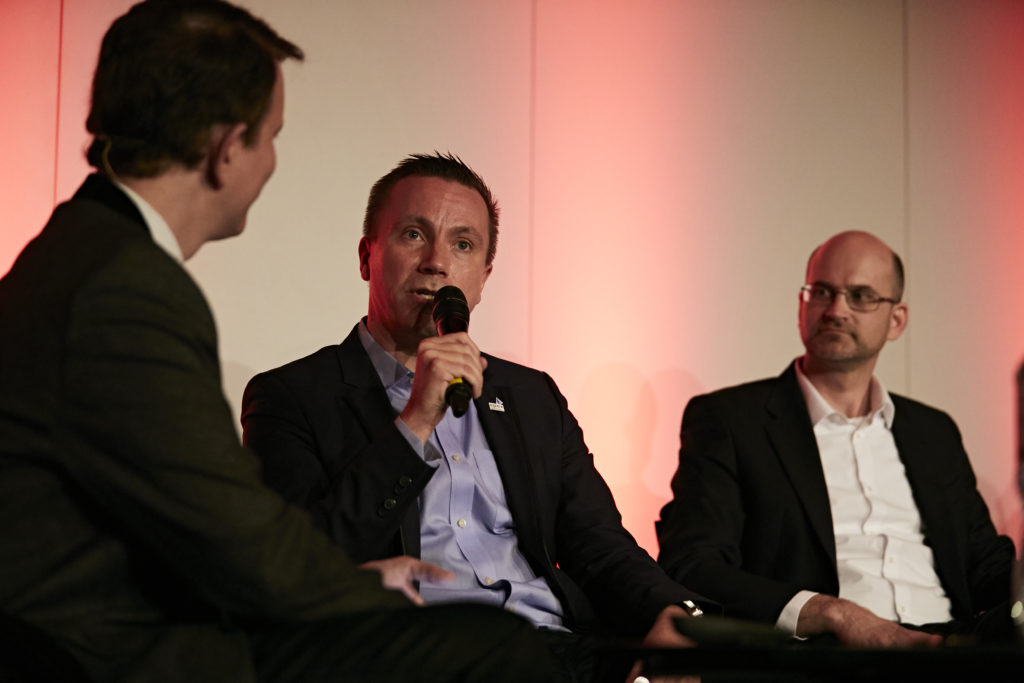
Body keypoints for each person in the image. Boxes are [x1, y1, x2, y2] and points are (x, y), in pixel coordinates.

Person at [0, 2, 557, 682]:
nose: (270, 164)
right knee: (496, 645)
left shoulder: (82, 253)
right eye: (272, 138)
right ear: (227, 148)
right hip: (109, 651)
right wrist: (365, 590)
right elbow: (227, 534)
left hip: (107, 627)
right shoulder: (126, 288)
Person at [241, 152, 706, 681]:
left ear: (483, 278)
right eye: (413, 235)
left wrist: (677, 615)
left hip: (562, 646)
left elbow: (598, 543)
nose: (436, 261)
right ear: (367, 256)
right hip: (418, 655)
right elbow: (300, 566)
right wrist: (415, 420)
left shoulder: (530, 396)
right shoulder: (293, 397)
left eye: (463, 244)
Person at [656, 230, 1015, 647]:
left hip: (953, 648)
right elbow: (693, 563)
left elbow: (986, 564)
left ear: (896, 320)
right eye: (822, 291)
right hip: (827, 652)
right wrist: (828, 611)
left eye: (861, 295)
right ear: (802, 305)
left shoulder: (933, 432)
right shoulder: (732, 421)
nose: (836, 309)